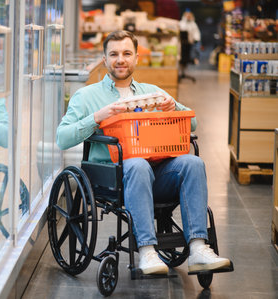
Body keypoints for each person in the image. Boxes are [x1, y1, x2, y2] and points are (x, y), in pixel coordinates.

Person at [56, 30, 231, 275]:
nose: (121, 59)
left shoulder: (152, 92)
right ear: (104, 59)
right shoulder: (86, 96)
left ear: (137, 58)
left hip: (155, 174)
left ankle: (199, 248)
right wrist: (97, 117)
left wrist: (173, 106)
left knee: (192, 163)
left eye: (127, 53)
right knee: (137, 164)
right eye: (114, 54)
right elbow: (62, 138)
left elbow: (191, 124)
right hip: (111, 179)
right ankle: (147, 251)